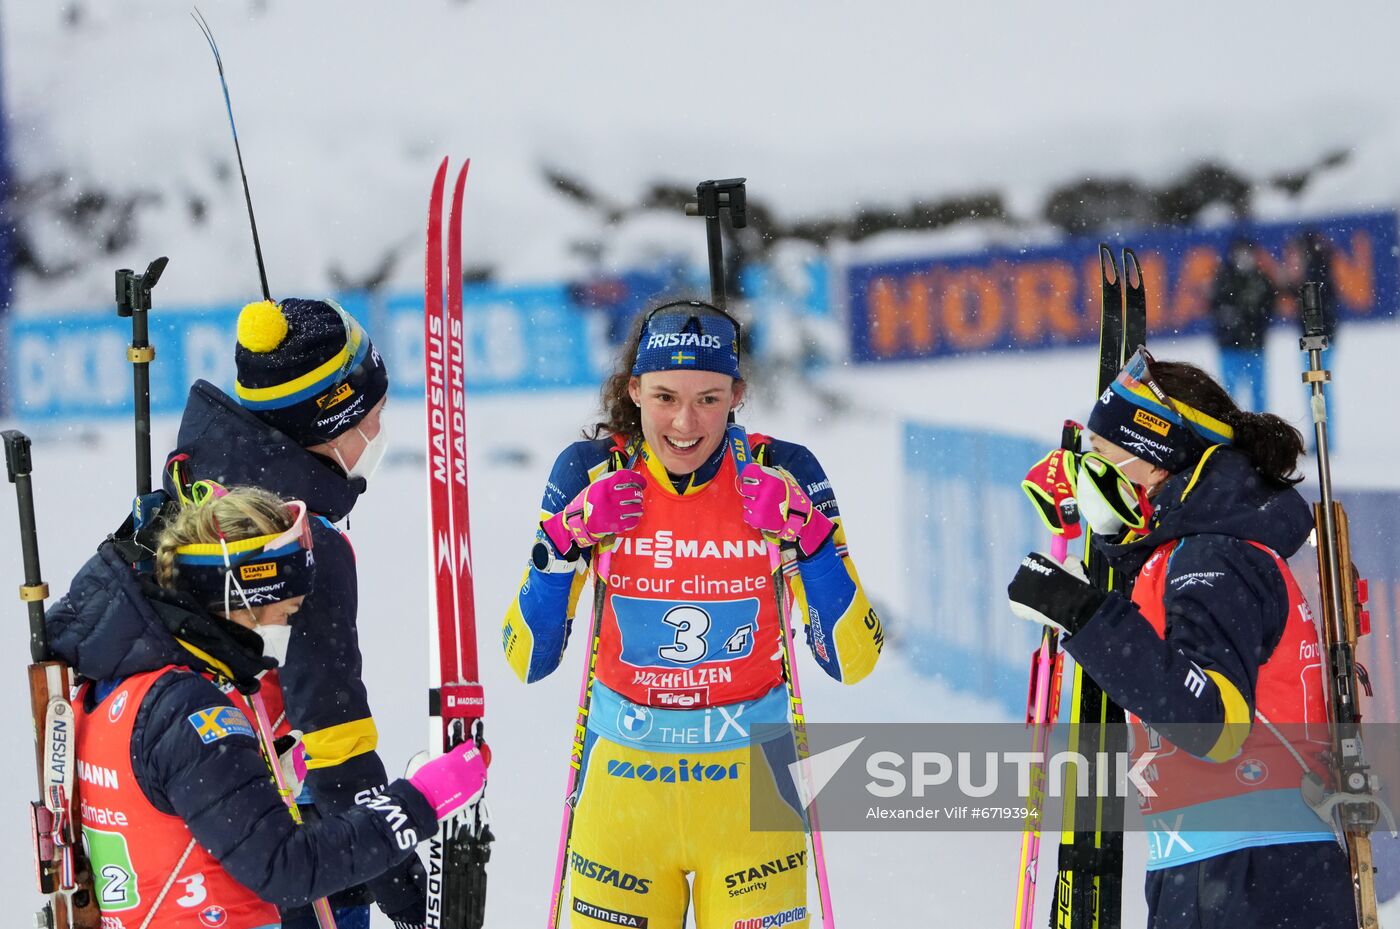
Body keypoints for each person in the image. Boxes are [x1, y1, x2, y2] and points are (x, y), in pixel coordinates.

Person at [501, 301, 884, 929]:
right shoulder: (592, 471)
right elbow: (528, 658)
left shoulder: (780, 471)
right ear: (633, 391)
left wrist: (809, 539)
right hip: (622, 792)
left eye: (709, 398)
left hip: (754, 793)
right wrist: (565, 540)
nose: (685, 421)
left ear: (738, 393)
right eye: (664, 396)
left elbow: (852, 659)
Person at [1007, 350, 1354, 928]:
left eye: (1098, 455)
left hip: (1248, 874)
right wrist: (1116, 547)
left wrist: (1082, 613)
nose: (1080, 472)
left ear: (1156, 457)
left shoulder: (1213, 557)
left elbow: (1212, 723)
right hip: (1234, 865)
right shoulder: (1200, 549)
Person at [46, 485, 486, 929]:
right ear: (244, 593)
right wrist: (418, 802)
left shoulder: (115, 686)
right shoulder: (186, 711)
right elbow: (287, 868)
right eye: (287, 613)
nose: (288, 631)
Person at [162, 297, 416, 928]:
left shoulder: (192, 487)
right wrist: (393, 867)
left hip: (180, 812)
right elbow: (334, 735)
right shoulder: (301, 543)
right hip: (282, 828)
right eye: (374, 417)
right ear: (334, 418)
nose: (379, 435)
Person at [1207, 237, 1275, 412]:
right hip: (1230, 347)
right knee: (1228, 397)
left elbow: (1269, 309)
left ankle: (1262, 431)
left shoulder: (1261, 279)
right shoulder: (1224, 278)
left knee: (1258, 395)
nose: (1244, 258)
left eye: (1248, 253)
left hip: (1254, 346)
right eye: (1240, 253)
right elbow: (1214, 307)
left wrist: (1254, 324)